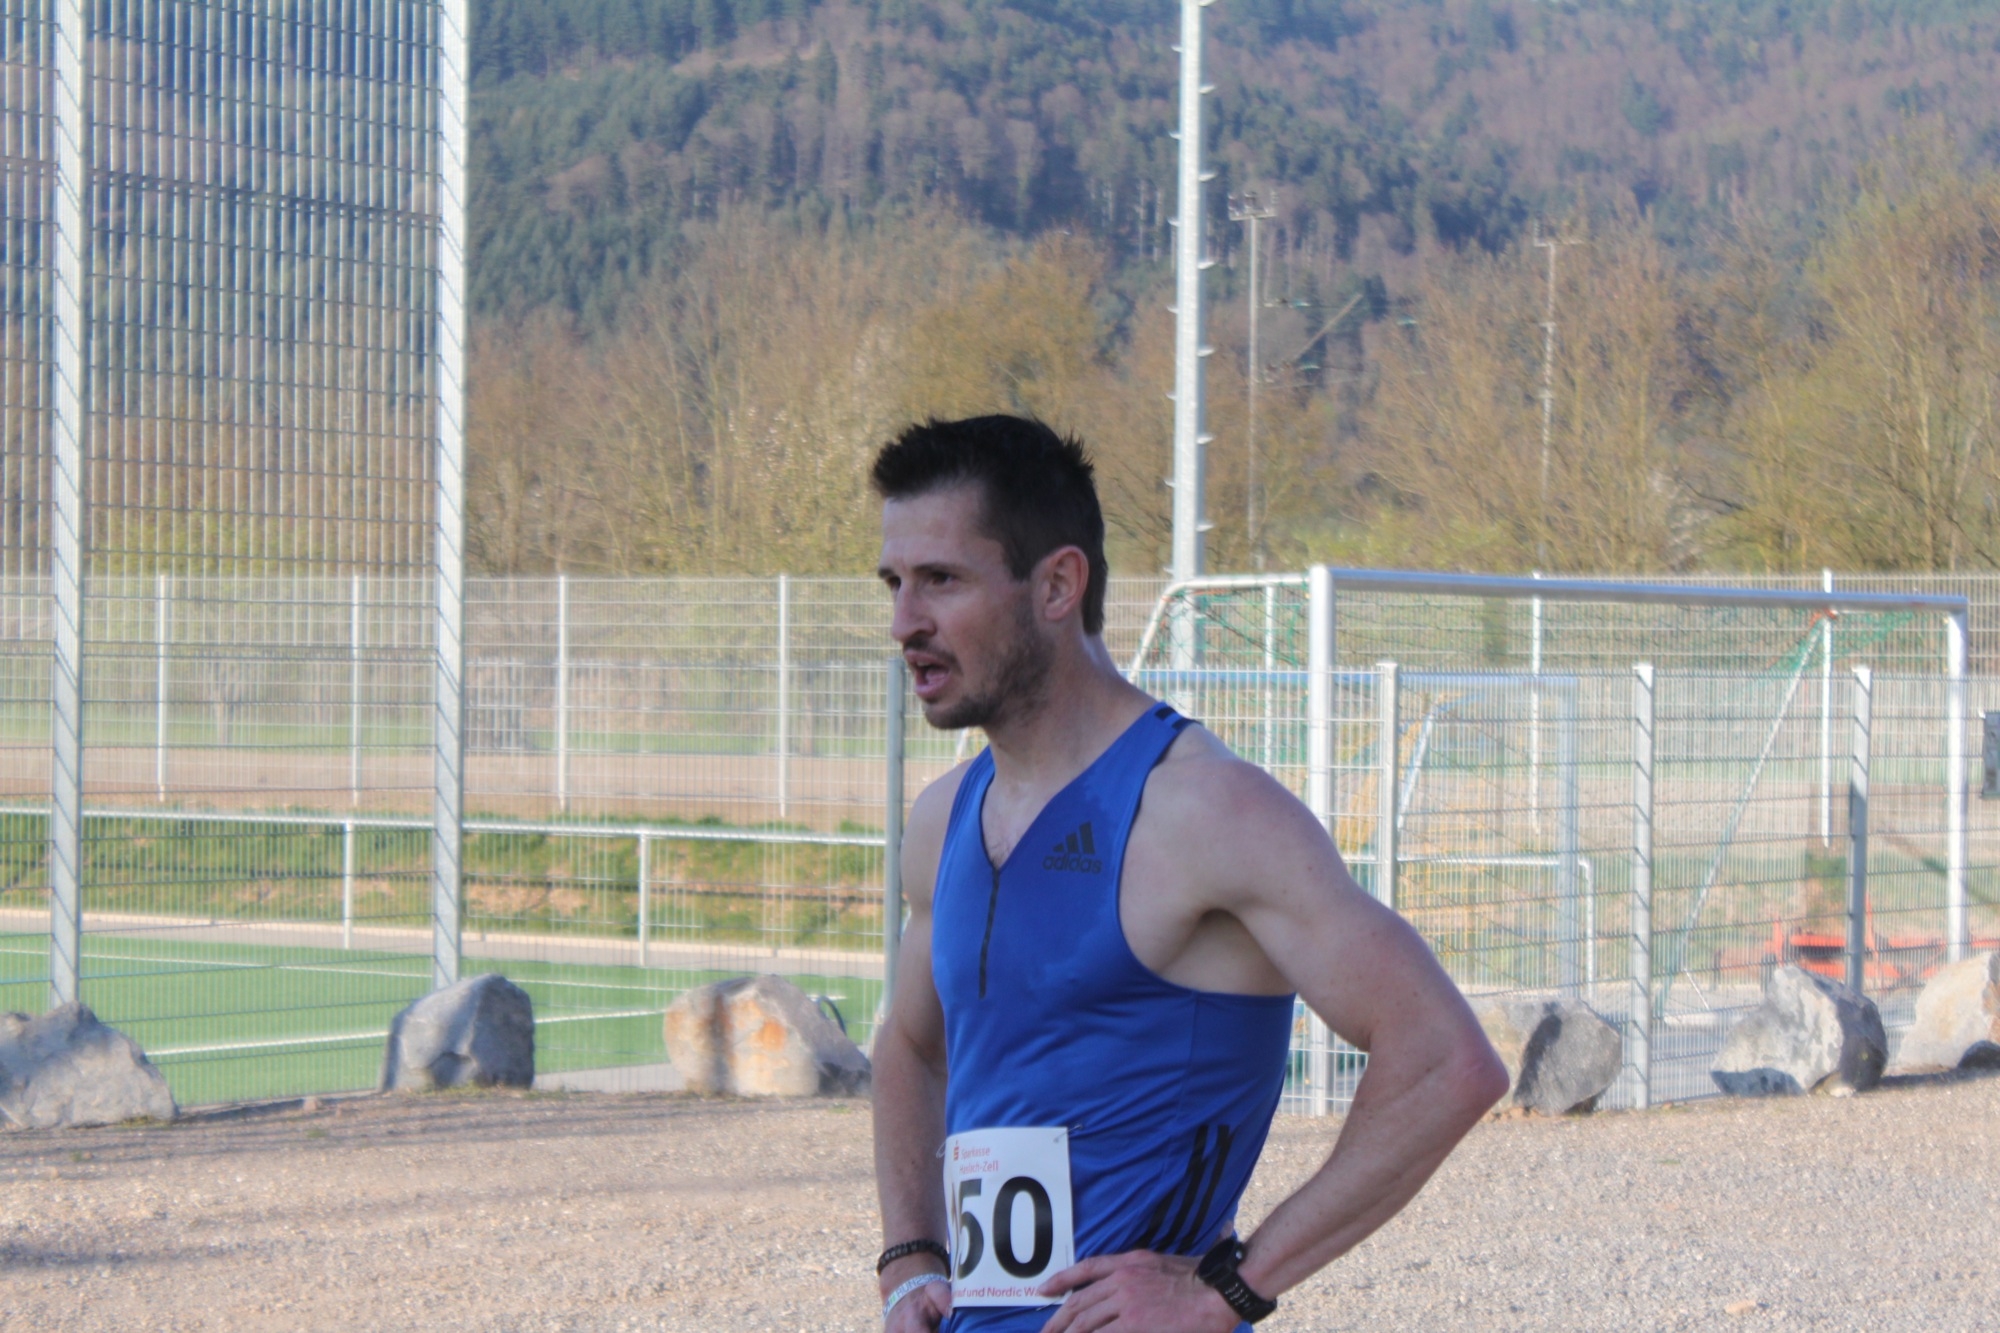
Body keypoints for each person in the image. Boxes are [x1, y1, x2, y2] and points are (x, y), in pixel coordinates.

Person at [870, 416, 1508, 1333]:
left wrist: (1226, 1291)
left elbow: (1447, 1060)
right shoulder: (942, 820)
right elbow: (911, 1044)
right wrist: (909, 1255)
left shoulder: (1206, 811)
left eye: (941, 579)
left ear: (1057, 585)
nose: (906, 623)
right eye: (894, 583)